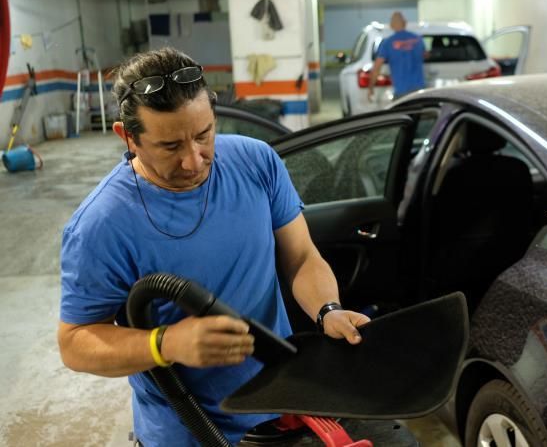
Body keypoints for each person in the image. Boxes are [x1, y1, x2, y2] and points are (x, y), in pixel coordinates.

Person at [57, 47, 370, 446]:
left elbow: (303, 257)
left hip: (283, 408)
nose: (194, 160)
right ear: (128, 137)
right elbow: (75, 343)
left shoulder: (257, 162)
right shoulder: (101, 225)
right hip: (189, 431)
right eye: (170, 147)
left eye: (204, 135)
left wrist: (328, 309)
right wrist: (165, 343)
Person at [368, 11, 425, 104]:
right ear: (405, 23)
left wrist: (371, 87)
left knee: (402, 116)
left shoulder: (387, 43)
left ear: (391, 25)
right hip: (419, 90)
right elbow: (424, 55)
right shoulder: (418, 39)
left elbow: (377, 67)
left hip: (401, 92)